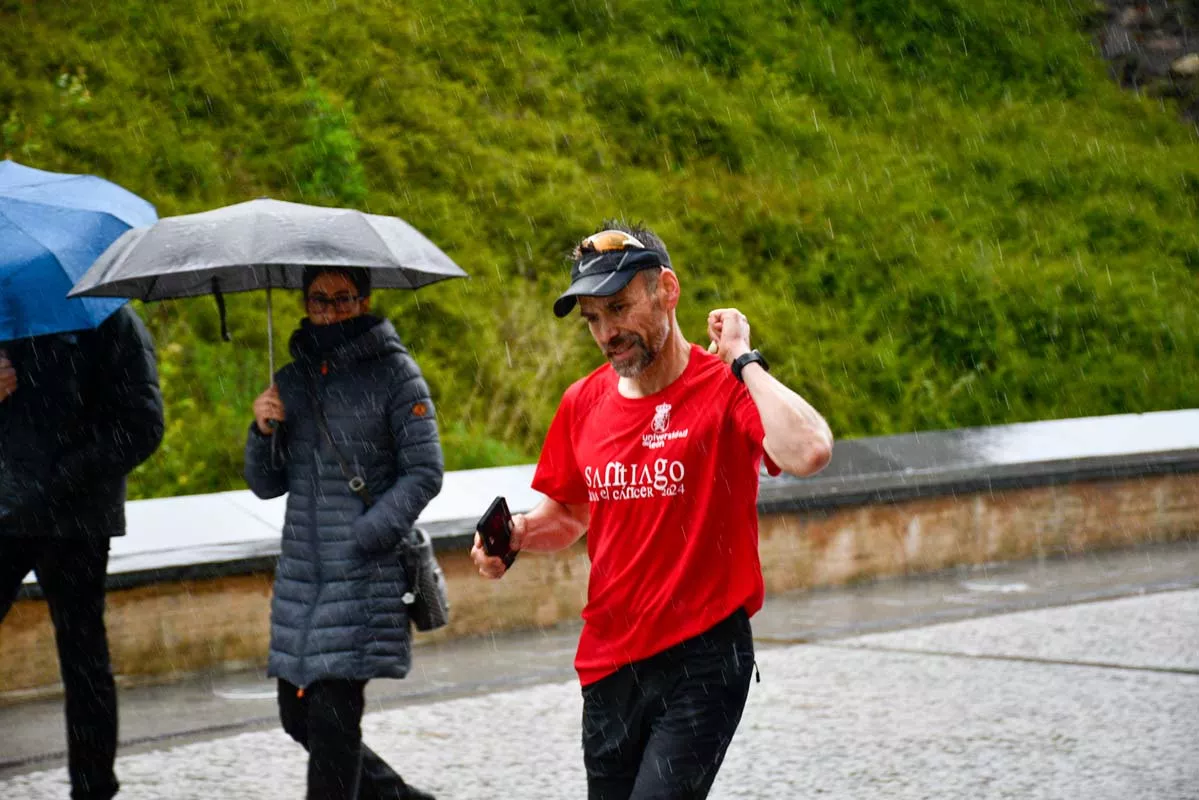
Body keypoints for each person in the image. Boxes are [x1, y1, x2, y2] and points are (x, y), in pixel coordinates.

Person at [472, 222, 834, 799]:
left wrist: (743, 358)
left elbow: (809, 449)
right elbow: (567, 513)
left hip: (705, 657)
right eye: (593, 318)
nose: (607, 332)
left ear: (667, 289)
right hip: (609, 664)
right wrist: (514, 535)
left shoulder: (726, 387)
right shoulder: (582, 403)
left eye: (618, 307)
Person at [244, 266, 442, 800]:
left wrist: (366, 534)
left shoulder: (397, 375)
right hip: (302, 580)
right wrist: (262, 429)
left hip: (363, 573)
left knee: (332, 720)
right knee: (297, 715)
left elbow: (425, 471)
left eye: (342, 298)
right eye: (318, 299)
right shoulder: (289, 380)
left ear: (364, 300)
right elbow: (265, 484)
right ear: (304, 302)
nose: (329, 309)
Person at [0, 304, 165, 800]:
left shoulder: (112, 322)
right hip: (6, 511)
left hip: (78, 519)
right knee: (85, 656)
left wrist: (66, 475)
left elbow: (143, 425)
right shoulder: (7, 317)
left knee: (84, 656)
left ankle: (94, 789)